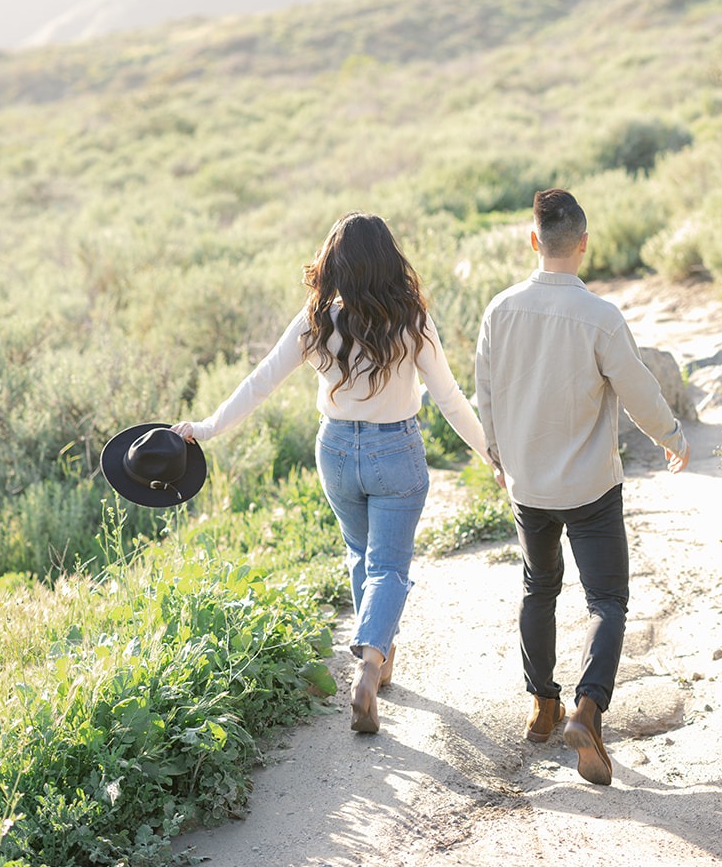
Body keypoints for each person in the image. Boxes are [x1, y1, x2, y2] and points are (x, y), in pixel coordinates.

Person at [173, 211, 494, 735]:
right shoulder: (411, 319)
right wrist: (489, 454)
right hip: (396, 450)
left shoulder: (317, 319)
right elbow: (450, 400)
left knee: (360, 554)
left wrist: (206, 428)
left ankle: (378, 658)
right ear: (390, 260)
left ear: (334, 263)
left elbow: (260, 383)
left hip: (337, 450)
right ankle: (370, 667)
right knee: (389, 566)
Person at [474, 188, 690, 786]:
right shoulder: (600, 316)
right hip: (590, 488)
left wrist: (497, 456)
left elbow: (484, 396)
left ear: (533, 240)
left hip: (528, 486)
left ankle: (543, 706)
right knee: (607, 601)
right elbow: (640, 389)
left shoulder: (500, 309)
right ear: (585, 245)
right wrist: (672, 435)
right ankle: (587, 709)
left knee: (538, 589)